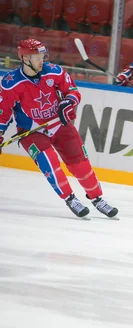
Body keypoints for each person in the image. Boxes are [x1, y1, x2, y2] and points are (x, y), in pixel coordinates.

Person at [0, 39, 118, 219]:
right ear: (25, 59)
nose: (42, 60)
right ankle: (70, 199)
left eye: (42, 56)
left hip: (58, 124)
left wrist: (68, 102)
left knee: (81, 165)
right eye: (37, 57)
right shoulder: (10, 83)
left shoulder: (54, 71)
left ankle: (97, 199)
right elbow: (3, 113)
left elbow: (73, 91)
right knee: (50, 162)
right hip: (31, 132)